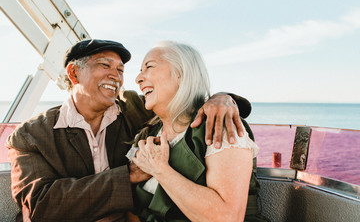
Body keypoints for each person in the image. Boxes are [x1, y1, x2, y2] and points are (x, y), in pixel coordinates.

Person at [6, 39, 252, 221]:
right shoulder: (30, 136)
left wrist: (223, 98)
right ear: (73, 73)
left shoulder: (133, 109)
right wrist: (129, 175)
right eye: (105, 65)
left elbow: (181, 103)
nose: (117, 76)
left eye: (120, 70)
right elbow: (42, 205)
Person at [127, 41, 269, 222]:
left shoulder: (219, 125)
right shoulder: (147, 135)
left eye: (149, 67)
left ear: (181, 74)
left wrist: (159, 169)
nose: (138, 78)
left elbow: (227, 218)